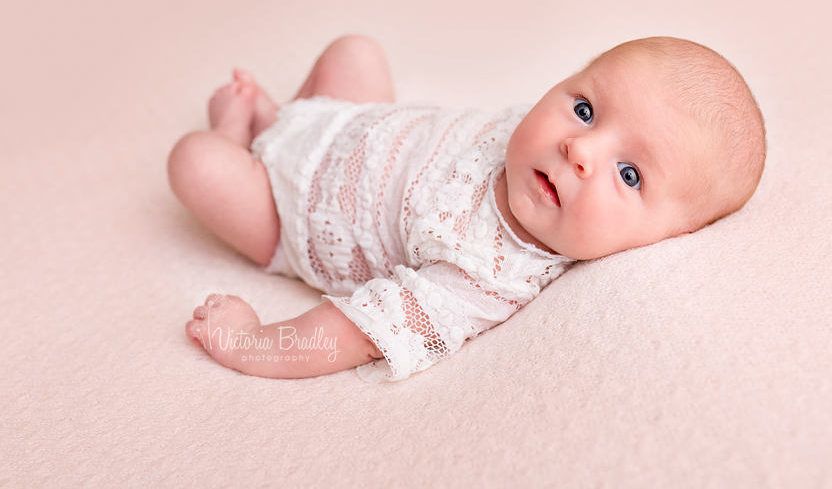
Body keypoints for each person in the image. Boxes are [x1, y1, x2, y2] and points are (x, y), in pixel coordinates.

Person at [168, 35, 766, 382]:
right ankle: (279, 120)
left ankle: (235, 135)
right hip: (348, 123)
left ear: (661, 239)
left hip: (291, 212)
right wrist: (321, 123)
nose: (579, 150)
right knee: (356, 51)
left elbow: (354, 333)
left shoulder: (487, 277)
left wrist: (253, 343)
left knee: (194, 162)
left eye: (629, 174)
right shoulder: (527, 135)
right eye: (585, 108)